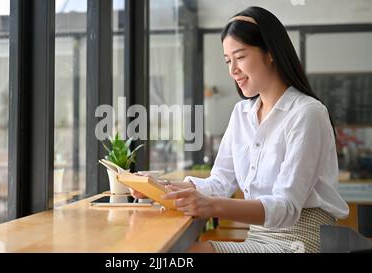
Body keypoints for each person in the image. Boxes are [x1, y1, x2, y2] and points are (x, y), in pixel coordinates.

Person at [131, 6, 349, 253]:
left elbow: (286, 208)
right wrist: (157, 187)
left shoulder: (307, 113)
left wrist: (210, 206)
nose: (232, 70)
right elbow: (219, 183)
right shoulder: (241, 114)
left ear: (270, 53)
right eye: (228, 60)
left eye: (241, 56)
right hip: (257, 238)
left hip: (302, 241)